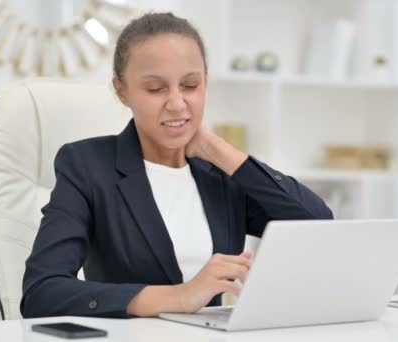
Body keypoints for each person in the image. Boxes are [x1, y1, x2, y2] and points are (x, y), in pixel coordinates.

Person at [21, 12, 333, 318]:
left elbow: (315, 222)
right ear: (122, 91)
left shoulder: (220, 174)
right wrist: (179, 296)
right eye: (155, 88)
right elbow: (42, 292)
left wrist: (217, 148)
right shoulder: (87, 166)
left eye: (190, 85)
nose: (176, 102)